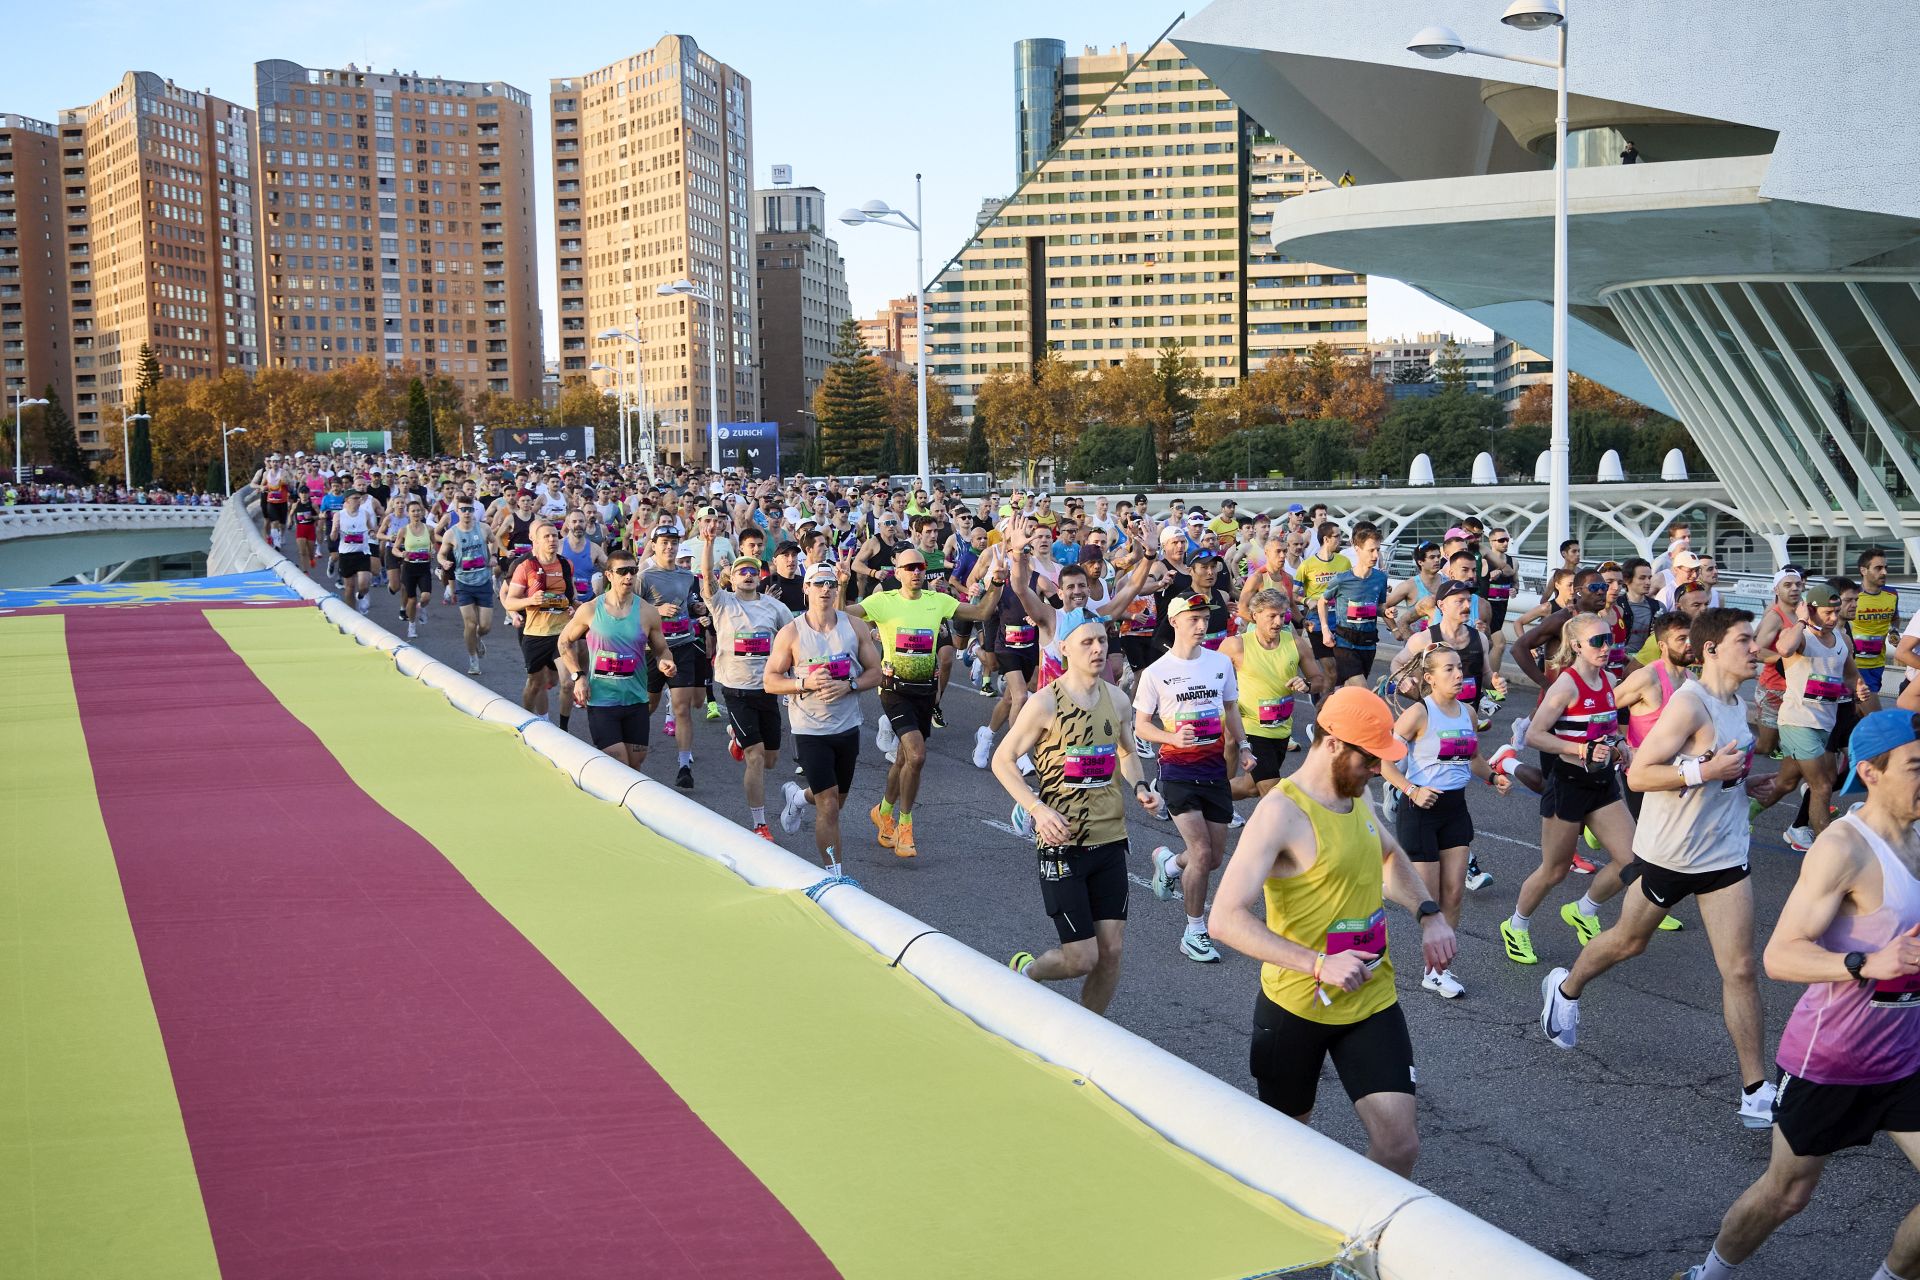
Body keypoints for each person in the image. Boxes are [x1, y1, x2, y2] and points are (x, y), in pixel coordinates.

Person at [1673, 709, 1920, 1280]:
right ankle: (1705, 1276)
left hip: (1905, 1059)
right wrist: (1867, 962)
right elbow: (1781, 956)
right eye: (1916, 765)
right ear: (1872, 772)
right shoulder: (1844, 849)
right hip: (1834, 1061)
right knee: (1787, 1193)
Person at [1539, 609, 1779, 1128]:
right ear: (1711, 648)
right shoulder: (1689, 705)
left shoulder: (1739, 706)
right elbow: (1643, 773)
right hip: (1670, 856)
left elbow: (1720, 775)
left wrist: (1741, 783)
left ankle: (1756, 1089)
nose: (1756, 649)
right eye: (1744, 641)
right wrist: (1705, 770)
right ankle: (1564, 988)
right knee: (1628, 941)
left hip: (1725, 856)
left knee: (1739, 968)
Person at [1208, 687, 1456, 1175]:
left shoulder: (1354, 795)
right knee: (1285, 1148)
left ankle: (1353, 1245)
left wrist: (1429, 913)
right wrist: (1319, 965)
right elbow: (1225, 919)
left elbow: (1389, 855)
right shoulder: (1281, 812)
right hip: (1296, 1006)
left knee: (1399, 1144)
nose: (1376, 770)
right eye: (1371, 758)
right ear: (1335, 744)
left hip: (1370, 1000)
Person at [995, 609, 1162, 1014]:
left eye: (1102, 640)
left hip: (1109, 839)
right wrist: (1036, 809)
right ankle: (1030, 973)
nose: (1097, 648)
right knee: (1080, 958)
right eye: (1087, 642)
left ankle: (1091, 1034)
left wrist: (1140, 786)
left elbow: (1127, 753)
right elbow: (1003, 760)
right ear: (1065, 648)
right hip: (1063, 842)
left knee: (1111, 952)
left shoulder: (1118, 699)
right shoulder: (1045, 703)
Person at [843, 544, 995, 858]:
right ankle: (905, 825)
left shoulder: (937, 600)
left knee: (904, 759)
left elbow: (981, 612)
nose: (916, 572)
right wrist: (843, 584)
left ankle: (883, 811)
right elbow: (843, 614)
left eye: (921, 568)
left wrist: (998, 583)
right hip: (893, 689)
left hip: (924, 690)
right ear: (897, 572)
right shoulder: (882, 601)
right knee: (917, 755)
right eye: (910, 567)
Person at [1503, 613, 1638, 964]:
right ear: (1577, 645)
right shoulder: (1566, 685)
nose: (1606, 647)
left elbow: (1605, 728)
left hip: (1603, 784)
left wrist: (1620, 745)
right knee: (1555, 870)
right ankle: (1516, 926)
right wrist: (1579, 749)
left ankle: (1584, 909)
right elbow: (1535, 734)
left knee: (1631, 860)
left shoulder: (1609, 680)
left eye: (1608, 640)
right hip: (1570, 785)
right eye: (1597, 641)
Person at [1380, 647, 1512, 1001]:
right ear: (1430, 678)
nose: (1459, 675)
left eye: (1461, 669)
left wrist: (1492, 777)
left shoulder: (1468, 713)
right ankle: (1384, 881)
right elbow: (1384, 763)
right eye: (1449, 669)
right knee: (1427, 899)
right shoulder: (1418, 715)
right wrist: (1411, 789)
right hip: (1420, 808)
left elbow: (1473, 758)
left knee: (1453, 894)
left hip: (1455, 808)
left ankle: (1436, 971)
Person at [1135, 593, 1249, 962]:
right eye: (1194, 618)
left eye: (1205, 618)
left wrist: (1244, 746)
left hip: (1215, 770)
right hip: (1177, 771)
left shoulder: (1220, 663)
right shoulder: (1156, 672)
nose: (1202, 625)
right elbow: (1140, 726)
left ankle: (1169, 864)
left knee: (1213, 858)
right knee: (1200, 852)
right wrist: (1170, 737)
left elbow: (1230, 707)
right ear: (1175, 622)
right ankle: (1194, 931)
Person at [768, 563, 884, 876]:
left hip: (847, 727)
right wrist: (804, 683)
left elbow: (877, 672)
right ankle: (835, 876)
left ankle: (797, 797)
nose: (825, 589)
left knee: (835, 802)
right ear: (806, 588)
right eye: (818, 583)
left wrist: (851, 685)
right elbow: (770, 680)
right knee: (829, 805)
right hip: (809, 729)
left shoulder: (854, 627)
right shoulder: (791, 632)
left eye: (830, 584)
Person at [1753, 582, 1868, 850]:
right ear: (1812, 610)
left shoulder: (1840, 638)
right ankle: (1825, 847)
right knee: (1822, 785)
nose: (1833, 618)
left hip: (1824, 722)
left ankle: (1742, 813)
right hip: (1797, 721)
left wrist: (1858, 686)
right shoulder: (1801, 636)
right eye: (1827, 613)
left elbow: (1849, 673)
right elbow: (1783, 649)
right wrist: (1802, 620)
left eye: (1836, 613)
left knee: (1786, 782)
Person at [700, 539, 795, 839]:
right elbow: (706, 577)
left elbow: (794, 639)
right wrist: (708, 543)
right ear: (732, 578)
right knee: (755, 756)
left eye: (753, 571)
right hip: (737, 690)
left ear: (760, 577)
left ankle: (737, 739)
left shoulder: (775, 608)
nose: (748, 575)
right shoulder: (723, 602)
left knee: (770, 760)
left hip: (767, 688)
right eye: (742, 571)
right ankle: (760, 825)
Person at [557, 548, 675, 770]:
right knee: (617, 762)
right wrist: (578, 676)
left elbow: (662, 650)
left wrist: (665, 662)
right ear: (609, 575)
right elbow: (564, 642)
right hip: (602, 700)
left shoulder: (648, 612)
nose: (629, 576)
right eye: (622, 571)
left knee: (635, 764)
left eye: (633, 571)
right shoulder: (590, 610)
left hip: (637, 700)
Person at [1221, 588, 1325, 799]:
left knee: (1250, 788)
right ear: (1255, 615)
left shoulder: (1295, 643)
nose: (1278, 622)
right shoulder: (1236, 645)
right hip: (1251, 729)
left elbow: (1319, 680)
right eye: (1272, 616)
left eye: (1282, 615)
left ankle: (1200, 796)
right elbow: (1209, 679)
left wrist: (1306, 684)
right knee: (1274, 794)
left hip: (1281, 730)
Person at [637, 526, 707, 789]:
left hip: (683, 645)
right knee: (649, 705)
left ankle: (684, 765)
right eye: (664, 542)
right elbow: (630, 610)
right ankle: (633, 751)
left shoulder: (687, 576)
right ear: (654, 545)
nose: (670, 547)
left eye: (674, 543)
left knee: (682, 707)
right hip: (652, 650)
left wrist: (695, 607)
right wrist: (657, 610)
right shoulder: (644, 577)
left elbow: (689, 604)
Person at [501, 519, 576, 732]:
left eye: (555, 536)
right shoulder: (525, 566)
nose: (552, 539)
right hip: (534, 633)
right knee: (536, 683)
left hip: (561, 633)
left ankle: (564, 730)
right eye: (547, 536)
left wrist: (574, 608)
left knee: (567, 683)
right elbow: (509, 601)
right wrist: (529, 601)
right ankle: (524, 722)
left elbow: (571, 598)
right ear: (537, 541)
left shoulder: (565, 564)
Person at [1316, 523, 1389, 687]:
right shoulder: (1342, 579)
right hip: (1345, 643)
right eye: (1371, 550)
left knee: (1350, 691)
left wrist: (1387, 612)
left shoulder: (1380, 578)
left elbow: (1380, 607)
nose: (1376, 555)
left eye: (1378, 549)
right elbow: (1322, 602)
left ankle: (1329, 706)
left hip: (1368, 643)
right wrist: (1326, 629)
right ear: (1357, 549)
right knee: (1361, 688)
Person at [438, 501, 497, 675]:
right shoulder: (451, 533)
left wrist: (493, 555)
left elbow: (494, 541)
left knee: (485, 627)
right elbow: (441, 554)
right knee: (470, 624)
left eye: (470, 510)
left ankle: (477, 638)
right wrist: (444, 562)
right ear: (457, 511)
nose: (467, 513)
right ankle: (473, 659)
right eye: (463, 510)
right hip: (464, 583)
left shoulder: (484, 528)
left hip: (484, 581)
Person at [1852, 548, 1900, 696]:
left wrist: (1894, 631)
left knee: (1861, 711)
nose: (1884, 572)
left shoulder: (1892, 594)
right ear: (1863, 570)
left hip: (1878, 663)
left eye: (1885, 568)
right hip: (1852, 665)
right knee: (1867, 708)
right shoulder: (1852, 595)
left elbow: (1895, 618)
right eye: (1878, 568)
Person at [395, 499, 436, 639]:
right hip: (409, 568)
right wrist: (401, 553)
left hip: (424, 566)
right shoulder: (404, 530)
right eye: (413, 511)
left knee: (426, 596)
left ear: (422, 512)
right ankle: (411, 626)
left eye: (418, 510)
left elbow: (434, 544)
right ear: (408, 513)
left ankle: (422, 608)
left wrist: (433, 552)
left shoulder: (429, 529)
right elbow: (395, 548)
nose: (416, 513)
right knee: (411, 599)